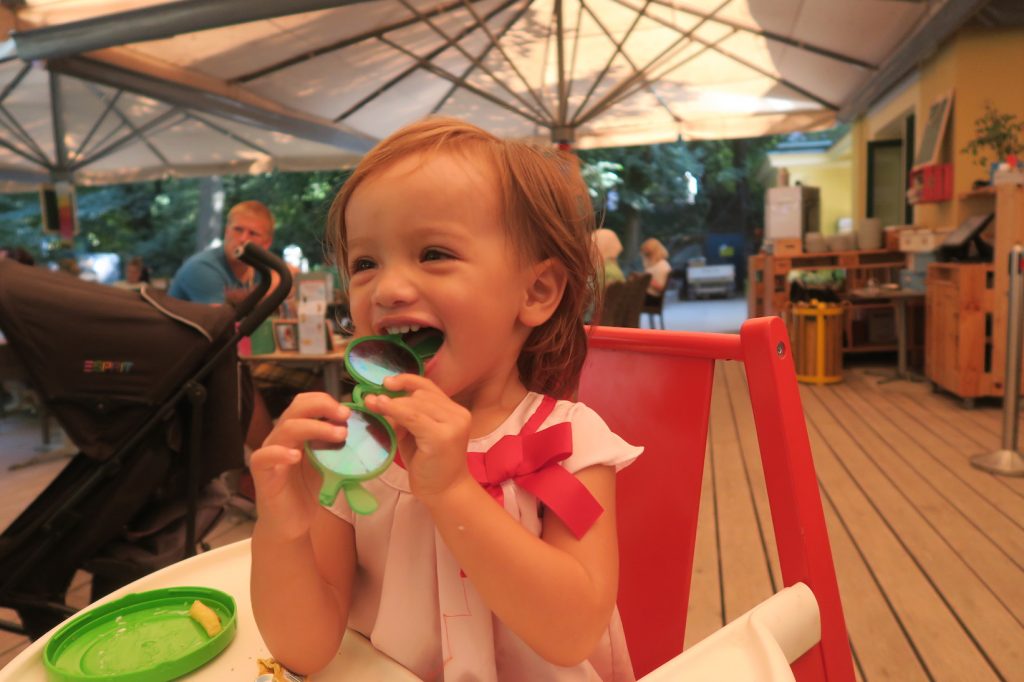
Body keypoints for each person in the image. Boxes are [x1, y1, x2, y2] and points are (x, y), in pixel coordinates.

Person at [249, 118, 643, 680]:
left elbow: (573, 630)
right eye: (364, 264)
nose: (386, 289)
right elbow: (305, 649)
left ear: (535, 292)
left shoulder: (568, 443)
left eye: (433, 253)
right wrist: (282, 530)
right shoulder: (359, 452)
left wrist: (452, 489)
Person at [168, 200, 274, 305]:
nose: (243, 238)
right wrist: (272, 292)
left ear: (266, 244)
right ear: (227, 231)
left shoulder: (263, 271)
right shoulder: (201, 267)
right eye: (238, 229)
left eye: (253, 233)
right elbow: (220, 319)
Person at [639, 237, 671, 305]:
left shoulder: (661, 266)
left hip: (652, 298)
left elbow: (660, 287)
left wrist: (647, 281)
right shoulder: (660, 264)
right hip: (650, 296)